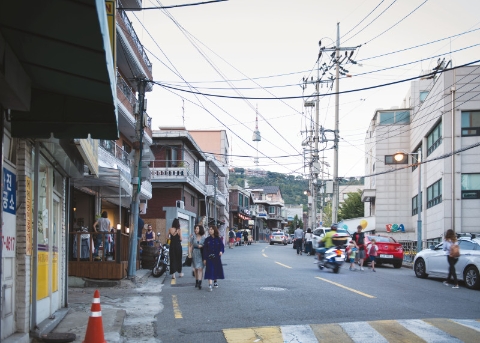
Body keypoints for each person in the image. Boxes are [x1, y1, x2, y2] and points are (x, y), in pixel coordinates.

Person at [203, 225, 225, 292]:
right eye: (209, 229)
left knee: (215, 269)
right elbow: (205, 250)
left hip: (217, 257)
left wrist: (221, 251)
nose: (210, 230)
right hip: (209, 257)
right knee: (210, 270)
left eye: (211, 229)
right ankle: (210, 284)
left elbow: (222, 246)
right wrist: (204, 259)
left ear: (214, 230)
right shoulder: (207, 240)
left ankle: (215, 281)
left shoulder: (218, 239)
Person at [189, 224, 206, 289]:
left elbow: (205, 246)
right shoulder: (193, 237)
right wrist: (189, 253)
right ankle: (196, 281)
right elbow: (190, 245)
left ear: (200, 229)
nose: (195, 230)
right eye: (195, 228)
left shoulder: (204, 237)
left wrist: (201, 246)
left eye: (197, 228)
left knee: (200, 268)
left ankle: (200, 282)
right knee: (196, 268)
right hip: (195, 253)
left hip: (201, 253)